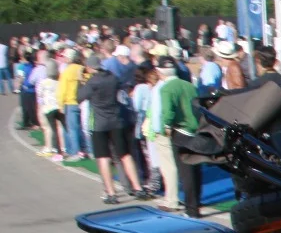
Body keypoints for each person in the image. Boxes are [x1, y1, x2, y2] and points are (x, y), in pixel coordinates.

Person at [80, 56, 150, 205]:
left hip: (99, 123)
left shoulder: (92, 82)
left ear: (90, 67)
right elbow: (122, 87)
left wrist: (82, 84)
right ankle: (138, 188)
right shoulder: (112, 78)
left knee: (103, 158)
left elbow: (79, 97)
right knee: (125, 155)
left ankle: (111, 193)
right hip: (116, 121)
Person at [146, 56, 202, 215]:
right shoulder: (189, 85)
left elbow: (168, 112)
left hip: (180, 130)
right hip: (195, 129)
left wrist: (165, 126)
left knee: (185, 171)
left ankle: (191, 209)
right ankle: (196, 202)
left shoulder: (166, 89)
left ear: (160, 72)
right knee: (195, 168)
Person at [57, 48, 87, 160]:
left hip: (70, 102)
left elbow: (62, 90)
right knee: (82, 128)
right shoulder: (82, 69)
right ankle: (84, 149)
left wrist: (60, 104)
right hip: (83, 101)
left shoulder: (67, 71)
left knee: (72, 129)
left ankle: (75, 152)